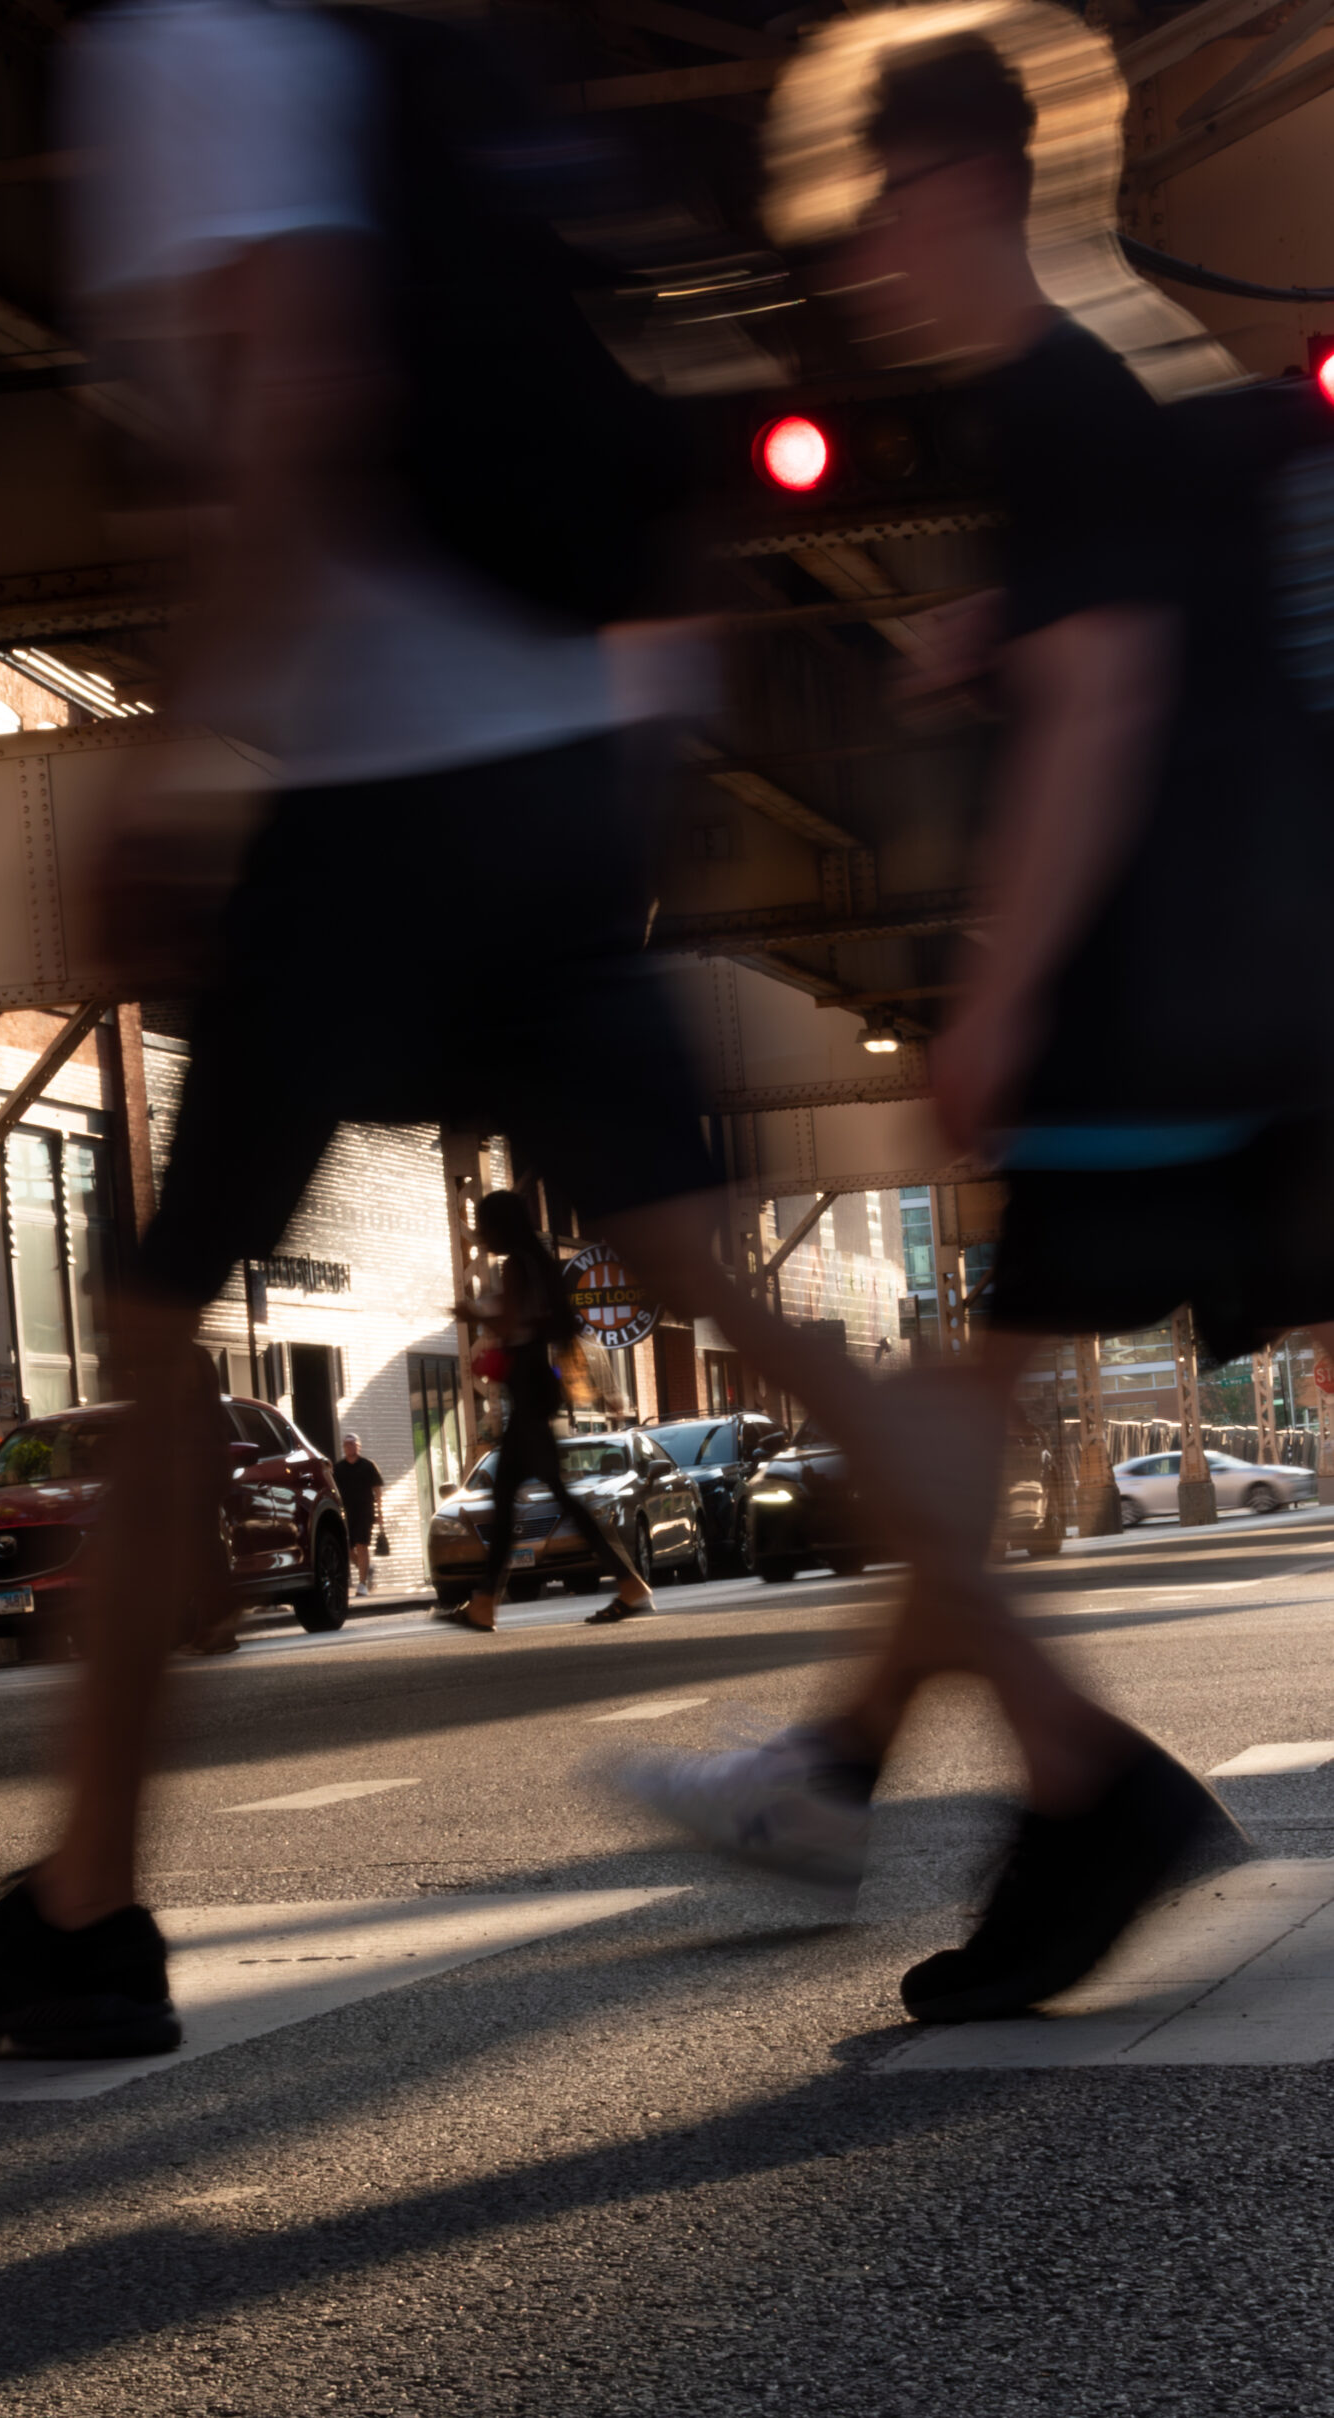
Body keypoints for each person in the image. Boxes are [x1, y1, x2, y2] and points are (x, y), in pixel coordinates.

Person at [0, 0, 1022, 2057]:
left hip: (376, 788)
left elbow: (292, 380)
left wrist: (175, 748)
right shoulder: (391, 59)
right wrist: (629, 759)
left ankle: (92, 1912)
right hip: (554, 758)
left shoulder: (193, 43)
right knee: (719, 1292)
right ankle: (1081, 1766)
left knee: (146, 1316)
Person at [623, 32, 1334, 2022]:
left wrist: (994, 995)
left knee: (962, 1400)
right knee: (966, 1398)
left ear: (946, 190)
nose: (855, 258)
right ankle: (899, 1776)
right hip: (1211, 981)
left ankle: (982, 1789)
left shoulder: (1047, 396)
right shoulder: (1091, 382)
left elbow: (1112, 700)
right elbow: (1134, 620)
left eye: (868, 208)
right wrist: (994, 629)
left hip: (1143, 994)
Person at [452, 1191, 649, 1634]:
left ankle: (628, 1584)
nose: (480, 1235)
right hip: (537, 1390)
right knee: (519, 1498)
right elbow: (549, 1326)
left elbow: (511, 1324)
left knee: (537, 1498)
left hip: (529, 1393)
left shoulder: (516, 1264)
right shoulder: (539, 1263)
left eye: (483, 1225)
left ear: (501, 1226)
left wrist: (472, 1312)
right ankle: (485, 1601)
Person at [333, 1434, 385, 1599]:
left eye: (353, 1444)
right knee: (347, 1549)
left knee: (362, 1546)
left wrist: (379, 1513)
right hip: (347, 1513)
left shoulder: (368, 1466)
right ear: (344, 1447)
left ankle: (362, 1584)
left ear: (358, 1446)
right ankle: (367, 1569)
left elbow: (377, 1490)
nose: (350, 1447)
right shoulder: (338, 1468)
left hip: (365, 1511)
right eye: (347, 1444)